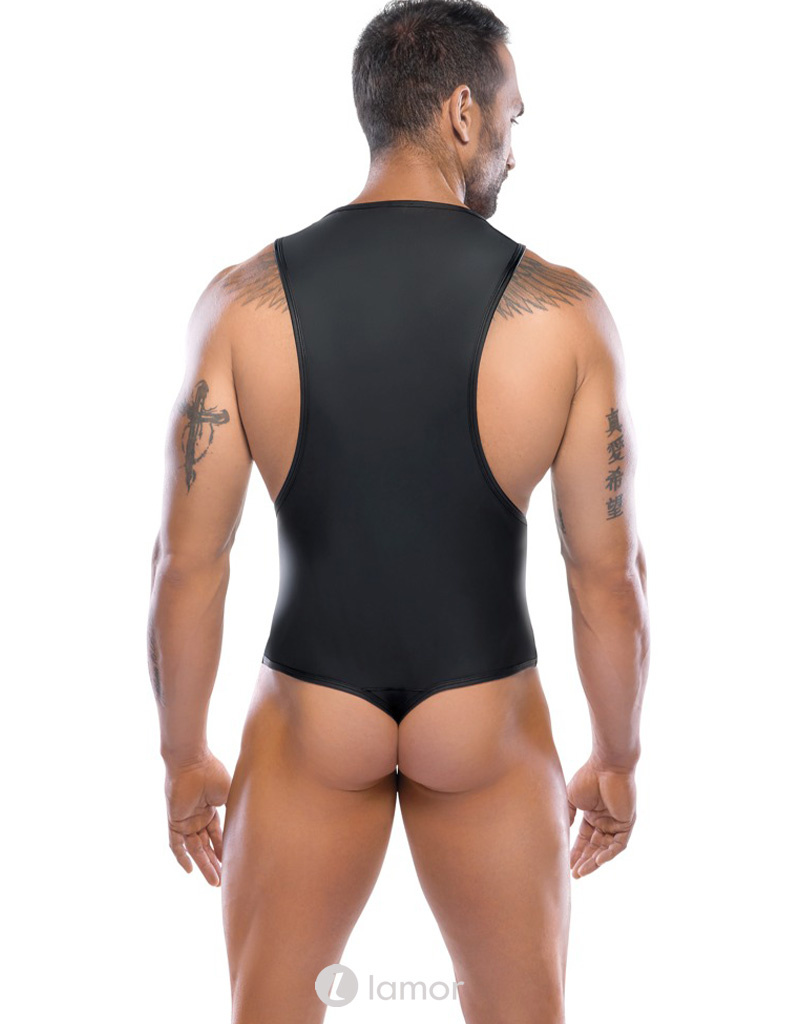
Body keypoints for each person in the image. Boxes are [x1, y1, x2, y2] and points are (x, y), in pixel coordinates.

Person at [147, 1, 650, 1021]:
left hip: (311, 711)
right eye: (512, 113)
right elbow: (606, 575)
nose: (515, 144)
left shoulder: (242, 302)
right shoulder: (562, 313)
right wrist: (615, 757)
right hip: (482, 714)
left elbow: (186, 563)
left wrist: (183, 754)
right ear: (463, 112)